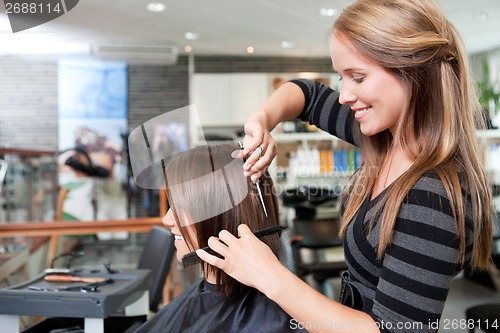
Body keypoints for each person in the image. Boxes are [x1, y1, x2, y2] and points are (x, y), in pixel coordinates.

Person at [196, 1, 494, 332]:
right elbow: (306, 95)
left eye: (358, 77)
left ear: (412, 69)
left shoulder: (431, 198)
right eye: (342, 77)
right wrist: (262, 119)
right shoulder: (383, 138)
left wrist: (271, 277)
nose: (344, 95)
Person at [134, 143, 306, 333]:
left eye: (180, 207)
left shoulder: (268, 321)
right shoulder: (203, 299)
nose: (166, 220)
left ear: (223, 216)